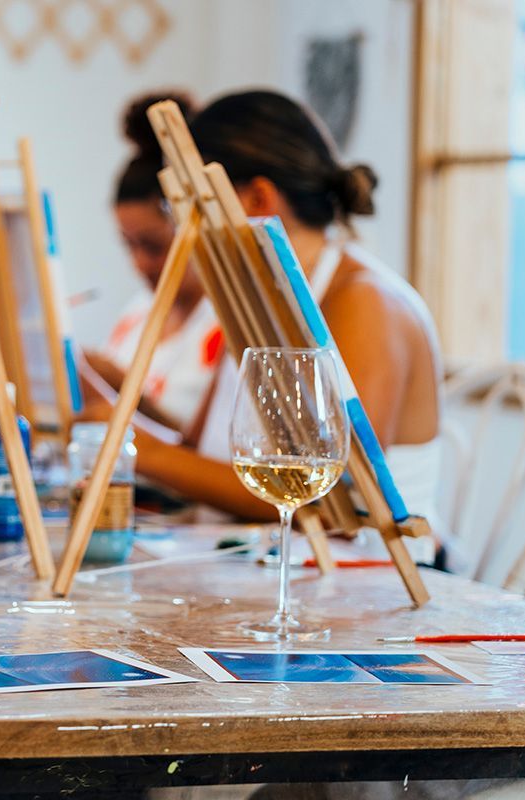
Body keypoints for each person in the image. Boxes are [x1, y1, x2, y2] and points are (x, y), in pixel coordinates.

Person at [88, 89, 443, 553]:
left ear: (258, 197)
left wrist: (130, 441)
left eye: (190, 205)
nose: (186, 227)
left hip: (365, 579)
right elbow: (201, 452)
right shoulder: (253, 293)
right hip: (252, 558)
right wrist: (118, 410)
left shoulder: (364, 300)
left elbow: (329, 498)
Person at [81, 91, 224, 434]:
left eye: (153, 246)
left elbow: (210, 453)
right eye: (128, 245)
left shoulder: (227, 326)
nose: (140, 264)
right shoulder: (139, 313)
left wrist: (123, 389)